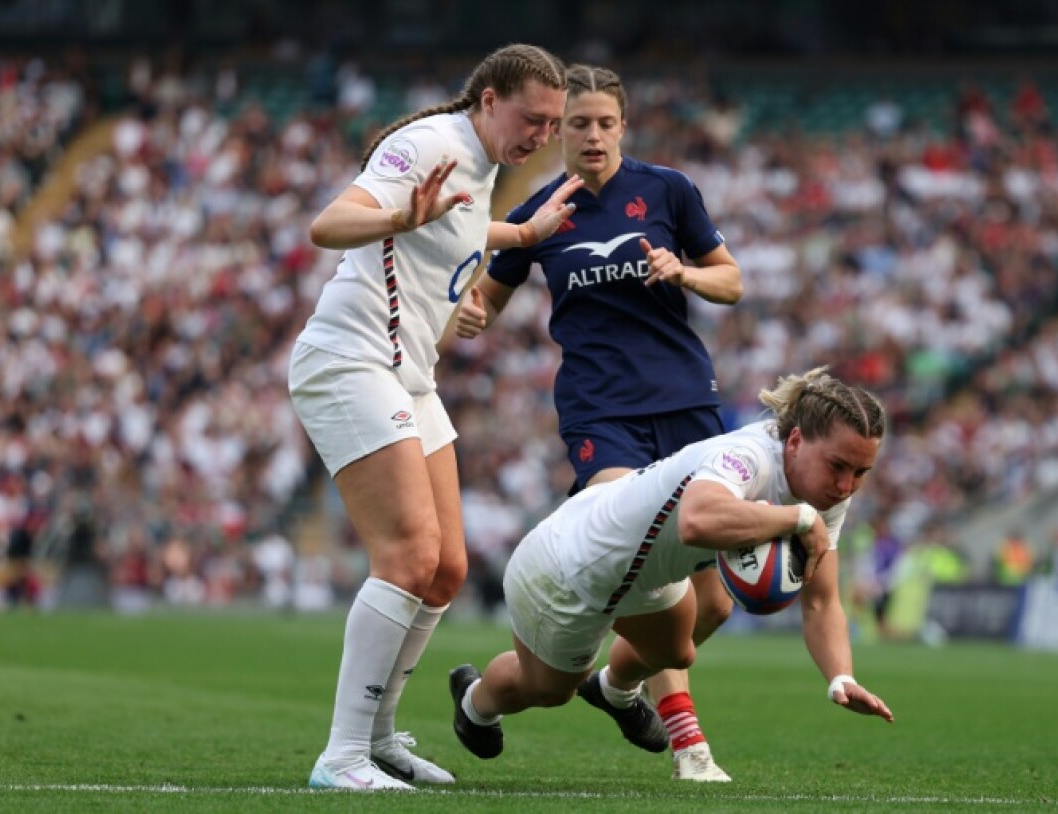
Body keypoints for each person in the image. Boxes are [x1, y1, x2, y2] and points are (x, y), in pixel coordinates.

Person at [289, 43, 584, 793]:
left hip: (408, 375)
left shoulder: (480, 164)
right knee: (409, 559)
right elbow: (328, 225)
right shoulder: (429, 143)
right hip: (350, 361)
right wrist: (395, 213)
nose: (541, 136)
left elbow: (454, 229)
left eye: (553, 124)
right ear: (487, 101)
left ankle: (380, 739)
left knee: (447, 568)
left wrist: (518, 238)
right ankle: (342, 755)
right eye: (531, 118)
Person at [455, 64, 744, 782]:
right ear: (556, 131)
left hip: (686, 407)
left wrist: (685, 274)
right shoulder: (540, 209)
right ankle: (690, 745)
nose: (590, 136)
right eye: (575, 123)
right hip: (601, 414)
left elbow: (732, 281)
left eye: (603, 123)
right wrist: (460, 309)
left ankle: (615, 687)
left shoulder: (668, 190)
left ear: (624, 125)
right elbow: (484, 300)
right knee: (647, 550)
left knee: (709, 610)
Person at [449, 367, 895, 777]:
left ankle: (614, 690)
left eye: (861, 472)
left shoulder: (825, 493)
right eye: (839, 466)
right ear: (795, 441)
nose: (846, 486)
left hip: (643, 578)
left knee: (678, 651)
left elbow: (820, 601)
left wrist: (842, 677)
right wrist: (797, 519)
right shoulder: (749, 455)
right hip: (568, 571)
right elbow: (696, 520)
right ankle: (475, 703)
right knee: (548, 690)